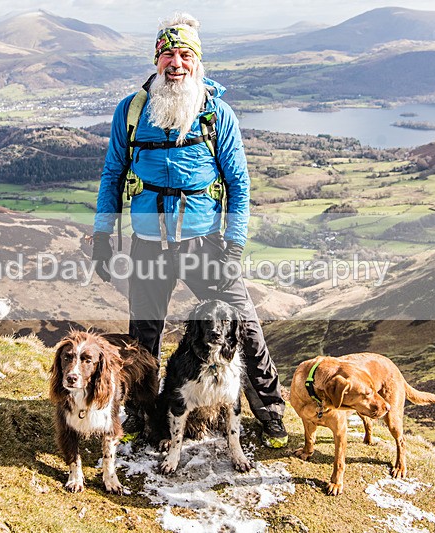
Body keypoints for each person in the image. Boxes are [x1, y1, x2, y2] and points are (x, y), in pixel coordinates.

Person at [91, 13, 288, 448]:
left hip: (205, 244)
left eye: (184, 55)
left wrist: (234, 244)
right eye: (167, 55)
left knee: (245, 327)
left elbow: (239, 184)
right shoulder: (132, 112)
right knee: (143, 336)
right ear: (156, 60)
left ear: (197, 62)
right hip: (147, 244)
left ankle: (271, 412)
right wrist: (102, 238)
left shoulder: (218, 114)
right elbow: (111, 176)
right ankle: (146, 416)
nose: (175, 63)